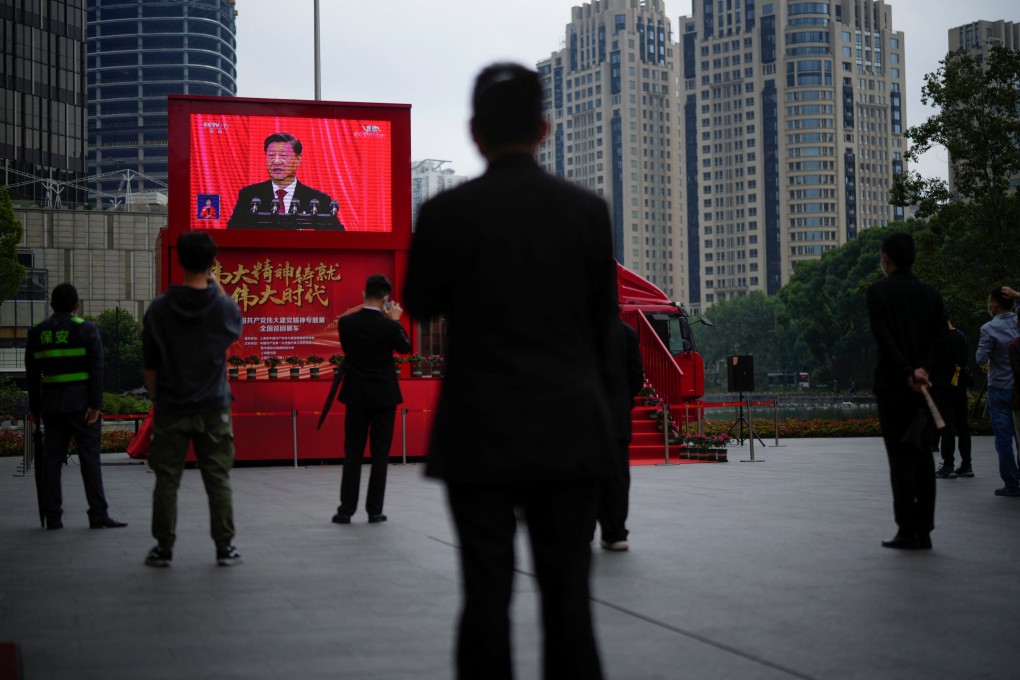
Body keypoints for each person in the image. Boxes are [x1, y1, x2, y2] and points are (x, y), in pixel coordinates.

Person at [404, 63, 618, 679]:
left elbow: (419, 303)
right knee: (569, 601)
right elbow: (604, 324)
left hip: (478, 433)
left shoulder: (448, 212)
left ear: (475, 133)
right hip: (571, 431)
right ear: (545, 129)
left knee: (486, 596)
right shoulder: (586, 212)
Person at [141, 232, 244, 567]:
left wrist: (157, 397)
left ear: (180, 260)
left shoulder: (158, 309)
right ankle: (224, 547)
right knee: (218, 478)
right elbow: (233, 324)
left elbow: (150, 363)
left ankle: (164, 548)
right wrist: (219, 288)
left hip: (171, 405)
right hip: (214, 405)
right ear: (212, 262)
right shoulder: (222, 306)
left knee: (167, 479)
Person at [866, 233, 947, 550]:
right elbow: (940, 339)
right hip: (924, 387)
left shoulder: (878, 292)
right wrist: (923, 369)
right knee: (923, 455)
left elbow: (884, 338)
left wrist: (906, 371)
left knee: (899, 458)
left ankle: (906, 528)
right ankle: (924, 529)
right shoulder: (931, 294)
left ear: (886, 258)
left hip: (893, 386)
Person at [25, 283, 127, 531]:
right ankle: (98, 514)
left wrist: (35, 411)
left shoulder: (38, 333)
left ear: (51, 305)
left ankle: (53, 517)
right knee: (90, 460)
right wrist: (96, 405)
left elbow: (32, 376)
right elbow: (97, 369)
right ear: (76, 305)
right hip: (84, 408)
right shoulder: (86, 329)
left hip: (52, 408)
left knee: (52, 461)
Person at [331, 274, 411, 525]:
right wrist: (396, 321)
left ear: (363, 295)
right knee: (380, 455)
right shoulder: (389, 326)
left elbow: (349, 351)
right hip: (384, 396)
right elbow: (405, 348)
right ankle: (374, 511)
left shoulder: (346, 323)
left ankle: (345, 510)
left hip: (356, 394)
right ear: (386, 299)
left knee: (352, 452)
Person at [226, 132, 341, 230]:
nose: (276, 161)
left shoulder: (318, 200)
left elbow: (336, 238)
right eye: (271, 155)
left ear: (298, 160)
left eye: (283, 155)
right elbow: (232, 234)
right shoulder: (250, 195)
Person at [596, 320, 644, 551]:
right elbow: (636, 378)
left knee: (584, 477)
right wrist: (623, 401)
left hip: (582, 416)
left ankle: (582, 531)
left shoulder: (577, 329)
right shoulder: (626, 333)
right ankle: (615, 533)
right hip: (616, 417)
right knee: (617, 479)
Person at [976, 286, 1020, 497]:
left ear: (993, 303)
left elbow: (980, 359)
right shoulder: (1018, 322)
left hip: (999, 388)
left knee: (1003, 439)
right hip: (1018, 389)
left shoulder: (988, 329)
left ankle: (1012, 483)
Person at [932, 319, 973, 479]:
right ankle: (967, 465)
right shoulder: (961, 336)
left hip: (943, 388)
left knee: (947, 427)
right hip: (960, 386)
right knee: (963, 426)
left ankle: (948, 465)